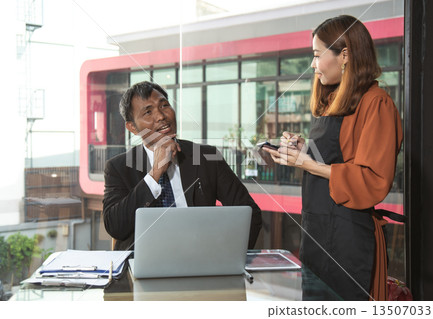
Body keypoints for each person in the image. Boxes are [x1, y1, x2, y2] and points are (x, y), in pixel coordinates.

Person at [263, 15, 403, 301]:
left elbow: (372, 179)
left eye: (317, 55)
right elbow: (335, 158)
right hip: (316, 232)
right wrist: (305, 150)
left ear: (345, 55)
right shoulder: (333, 100)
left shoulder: (377, 103)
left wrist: (307, 163)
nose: (313, 65)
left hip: (348, 237)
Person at [103, 81, 262, 251]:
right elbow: (116, 227)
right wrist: (155, 174)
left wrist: (227, 257)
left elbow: (250, 213)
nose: (161, 116)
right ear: (132, 127)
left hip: (200, 260)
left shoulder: (207, 157)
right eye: (148, 112)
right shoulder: (118, 167)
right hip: (145, 263)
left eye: (164, 105)